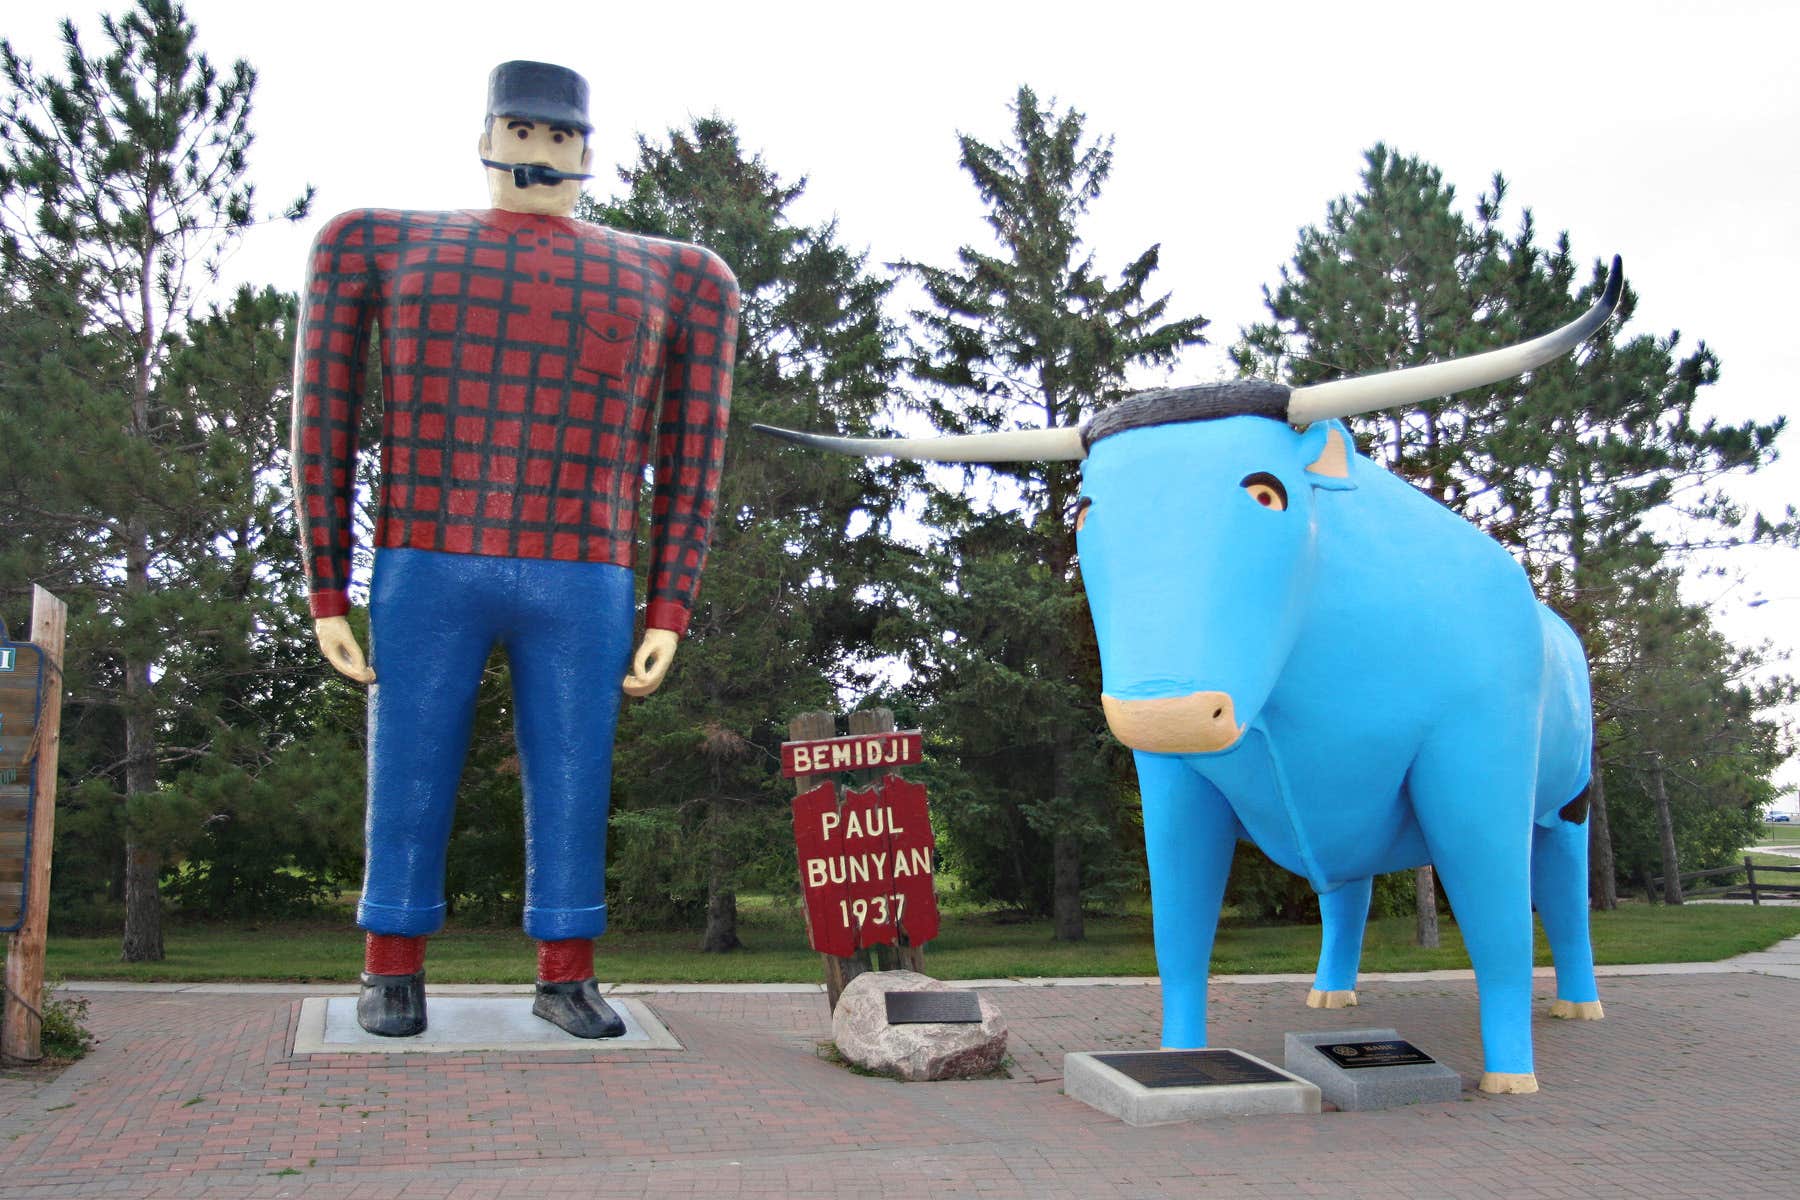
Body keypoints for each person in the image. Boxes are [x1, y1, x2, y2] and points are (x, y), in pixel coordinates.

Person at [290, 60, 738, 1038]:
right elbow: (321, 417)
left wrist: (669, 605)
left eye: (558, 136)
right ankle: (391, 964)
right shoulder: (374, 243)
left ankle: (566, 972)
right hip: (428, 549)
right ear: (489, 137)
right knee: (408, 762)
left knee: (576, 772)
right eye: (522, 132)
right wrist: (326, 585)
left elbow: (693, 450)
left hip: (583, 564)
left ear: (585, 148)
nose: (538, 153)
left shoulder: (681, 276)